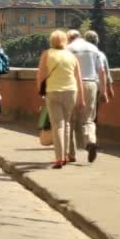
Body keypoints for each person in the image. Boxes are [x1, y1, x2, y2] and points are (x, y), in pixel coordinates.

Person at [36, 30, 85, 169]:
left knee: (58, 125)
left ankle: (59, 158)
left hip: (53, 91)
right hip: (71, 91)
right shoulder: (71, 56)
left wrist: (40, 91)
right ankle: (67, 154)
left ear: (52, 41)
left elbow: (40, 74)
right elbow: (78, 78)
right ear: (65, 41)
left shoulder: (47, 54)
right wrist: (81, 99)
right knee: (67, 123)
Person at [66, 30, 108, 163]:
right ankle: (90, 141)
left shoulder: (68, 49)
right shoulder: (93, 48)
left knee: (70, 120)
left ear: (69, 38)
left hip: (74, 85)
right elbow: (101, 72)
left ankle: (71, 154)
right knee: (88, 118)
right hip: (91, 84)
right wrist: (103, 91)